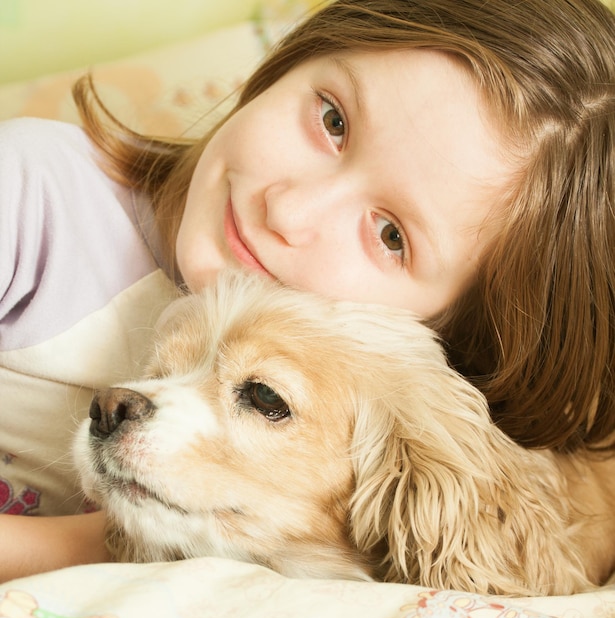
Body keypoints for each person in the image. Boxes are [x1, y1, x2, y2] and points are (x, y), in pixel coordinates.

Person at [2, 0, 615, 582]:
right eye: (333, 121)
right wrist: (87, 545)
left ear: (451, 333)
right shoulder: (28, 195)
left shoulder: (388, 411)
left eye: (391, 235)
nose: (289, 209)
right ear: (288, 63)